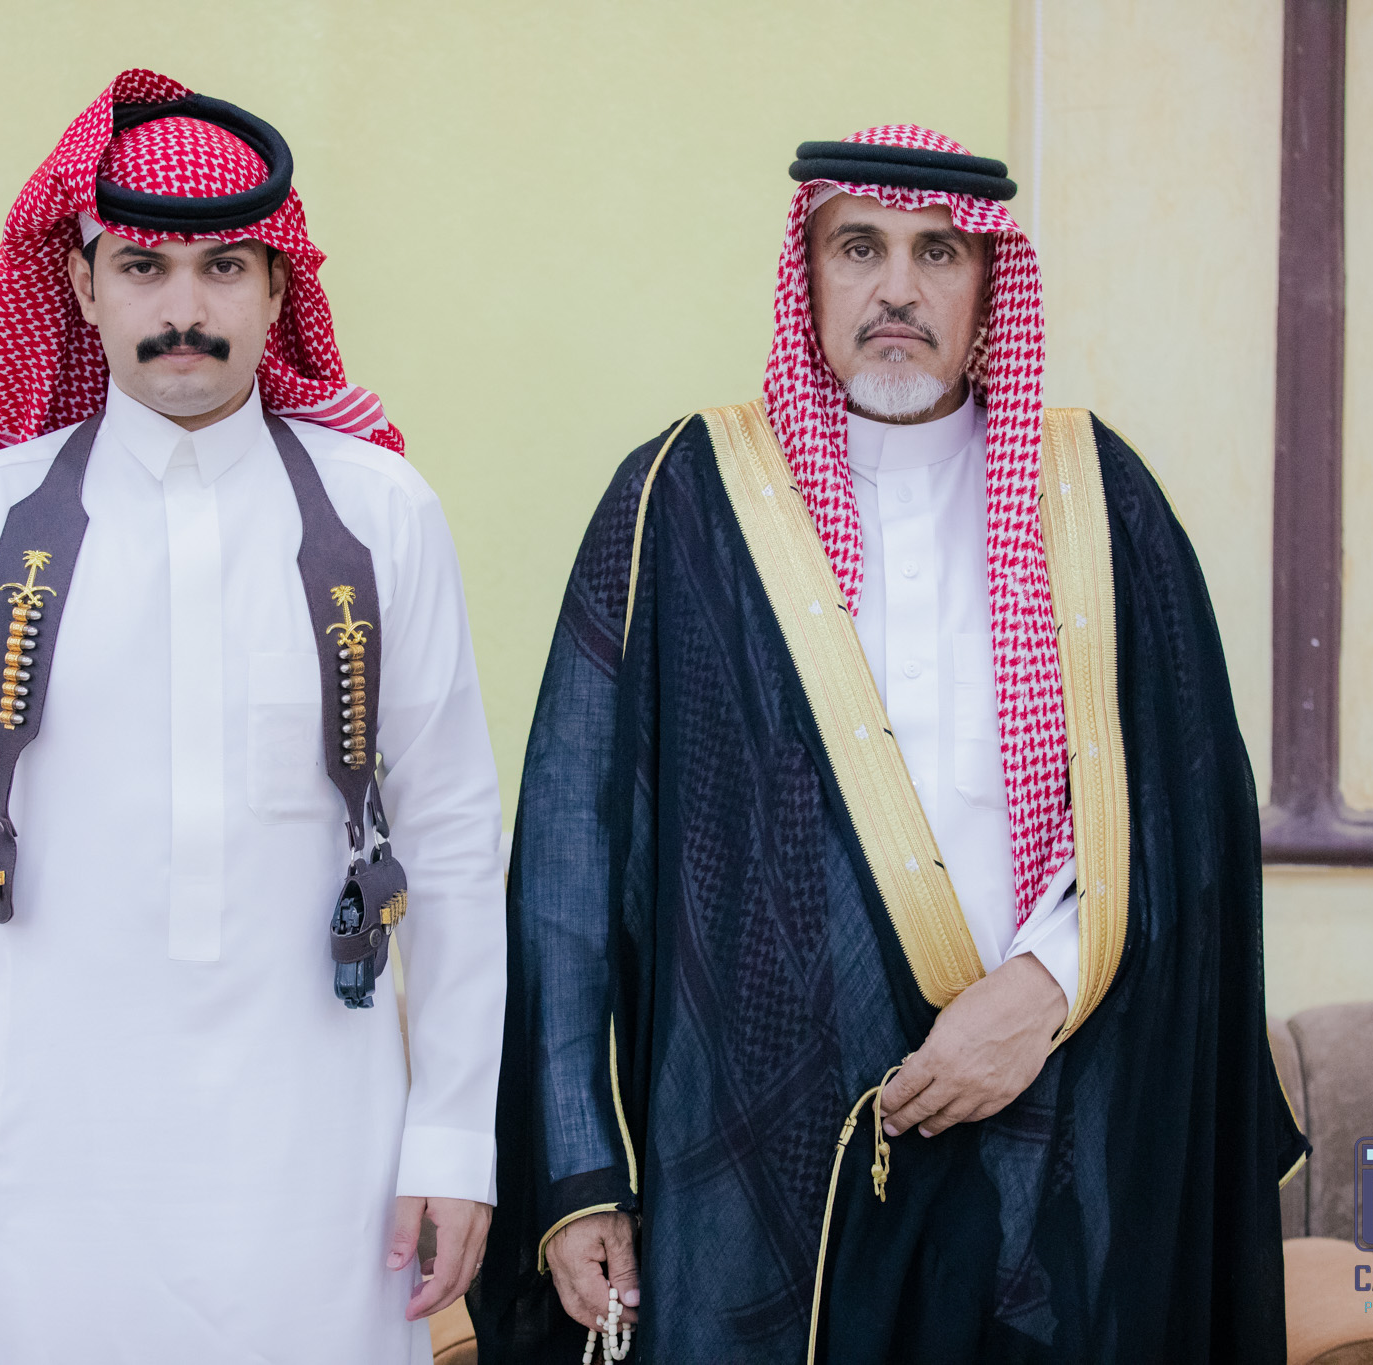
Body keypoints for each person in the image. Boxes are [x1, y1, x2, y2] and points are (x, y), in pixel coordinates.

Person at [473, 126, 1306, 1363]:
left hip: (1047, 1112)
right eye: (858, 248)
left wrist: (1040, 989)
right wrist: (580, 1173)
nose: (897, 289)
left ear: (987, 285)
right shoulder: (682, 500)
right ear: (806, 275)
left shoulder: (1095, 499)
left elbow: (1187, 816)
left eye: (938, 253)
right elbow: (566, 858)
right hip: (755, 1156)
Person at [0, 69, 504, 1363]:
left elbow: (456, 842)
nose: (183, 310)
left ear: (278, 288)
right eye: (142, 267)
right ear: (82, 286)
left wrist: (455, 1139)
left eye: (223, 268)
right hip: (32, 1172)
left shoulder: (381, 515)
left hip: (322, 1175)